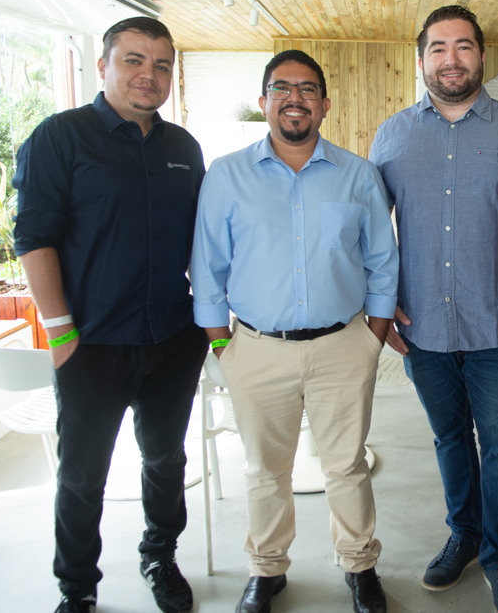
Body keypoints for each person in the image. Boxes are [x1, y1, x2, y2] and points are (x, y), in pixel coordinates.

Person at [368, 5, 498, 613]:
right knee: (449, 437)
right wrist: (380, 303)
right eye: (438, 48)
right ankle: (465, 534)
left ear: (482, 55)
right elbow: (373, 232)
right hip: (422, 327)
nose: (450, 59)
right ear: (421, 59)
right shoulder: (391, 136)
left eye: (463, 46)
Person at [190, 49, 398, 613]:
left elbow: (382, 260)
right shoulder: (227, 175)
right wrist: (221, 343)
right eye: (281, 88)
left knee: (347, 465)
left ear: (325, 105)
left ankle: (359, 565)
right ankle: (266, 569)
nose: (294, 99)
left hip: (343, 346)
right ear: (264, 102)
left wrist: (373, 336)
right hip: (256, 348)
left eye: (307, 89)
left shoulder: (358, 175)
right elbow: (208, 264)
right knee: (264, 470)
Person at [13, 17, 208, 613]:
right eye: (134, 60)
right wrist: (60, 333)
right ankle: (77, 587)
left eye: (162, 65)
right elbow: (34, 238)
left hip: (172, 337)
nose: (149, 75)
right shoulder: (60, 137)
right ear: (103, 66)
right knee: (82, 476)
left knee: (165, 460)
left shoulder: (183, 148)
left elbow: (203, 242)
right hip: (91, 343)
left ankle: (160, 555)